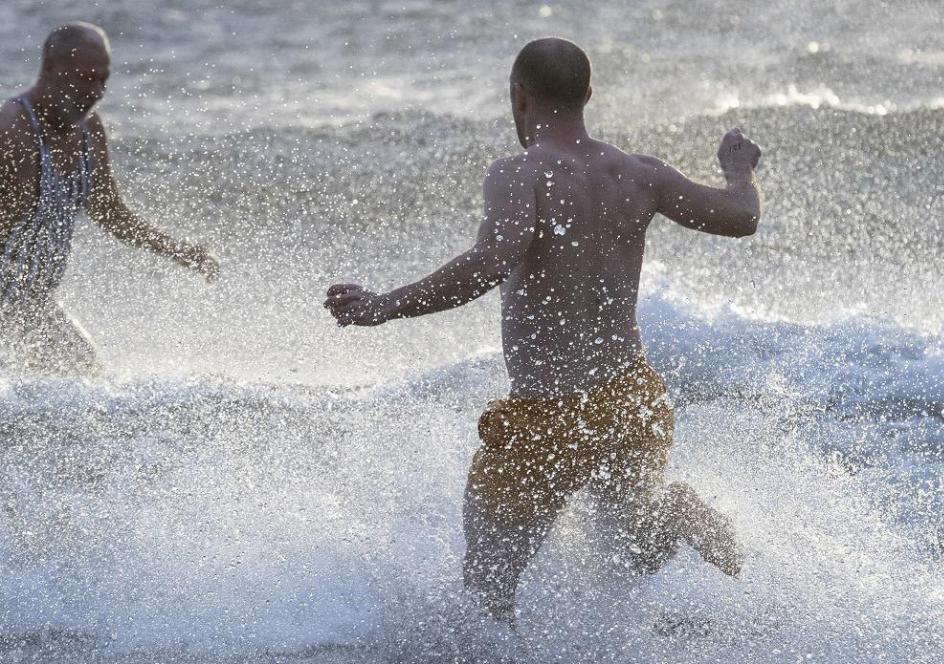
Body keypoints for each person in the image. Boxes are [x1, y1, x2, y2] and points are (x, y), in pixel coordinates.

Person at [325, 37, 762, 622]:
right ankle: (675, 511)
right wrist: (738, 171)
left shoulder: (520, 174)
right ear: (587, 94)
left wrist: (383, 306)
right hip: (628, 399)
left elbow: (487, 263)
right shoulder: (640, 174)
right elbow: (742, 217)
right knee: (634, 545)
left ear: (519, 97)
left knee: (487, 589)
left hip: (544, 417)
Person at [0, 23, 218, 375]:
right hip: (6, 307)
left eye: (103, 79)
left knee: (91, 382)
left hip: (34, 304)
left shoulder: (89, 129)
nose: (97, 91)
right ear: (50, 69)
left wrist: (180, 251)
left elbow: (109, 211)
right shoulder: (13, 132)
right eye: (85, 79)